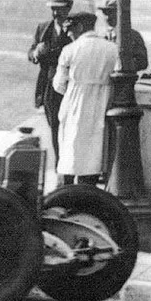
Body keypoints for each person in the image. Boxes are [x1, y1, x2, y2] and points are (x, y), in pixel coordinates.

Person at [52, 12, 118, 185]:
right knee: (94, 151)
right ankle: (88, 189)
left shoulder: (70, 50)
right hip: (102, 103)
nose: (68, 34)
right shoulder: (112, 48)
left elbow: (59, 85)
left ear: (80, 28)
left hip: (75, 103)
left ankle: (66, 191)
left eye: (70, 30)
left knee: (71, 149)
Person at [28, 0, 74, 164]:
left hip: (68, 84)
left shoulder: (75, 27)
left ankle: (68, 165)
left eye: (60, 9)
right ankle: (59, 164)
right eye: (53, 9)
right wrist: (35, 53)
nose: (56, 13)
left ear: (69, 8)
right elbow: (31, 53)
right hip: (49, 84)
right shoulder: (43, 28)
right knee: (54, 124)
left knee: (69, 126)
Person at [97, 0, 149, 72]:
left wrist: (123, 65)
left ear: (119, 14)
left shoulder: (133, 36)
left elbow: (143, 62)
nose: (108, 17)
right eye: (105, 13)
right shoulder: (102, 37)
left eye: (111, 12)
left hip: (125, 80)